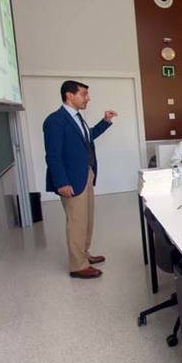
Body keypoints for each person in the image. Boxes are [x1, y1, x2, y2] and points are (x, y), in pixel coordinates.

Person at [43, 80, 117, 279]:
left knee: (87, 219)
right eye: (84, 94)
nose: (88, 98)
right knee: (76, 221)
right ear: (69, 95)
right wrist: (61, 182)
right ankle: (78, 266)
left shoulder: (78, 118)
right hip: (70, 179)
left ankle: (83, 254)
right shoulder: (55, 120)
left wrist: (105, 122)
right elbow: (53, 155)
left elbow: (87, 136)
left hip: (86, 175)